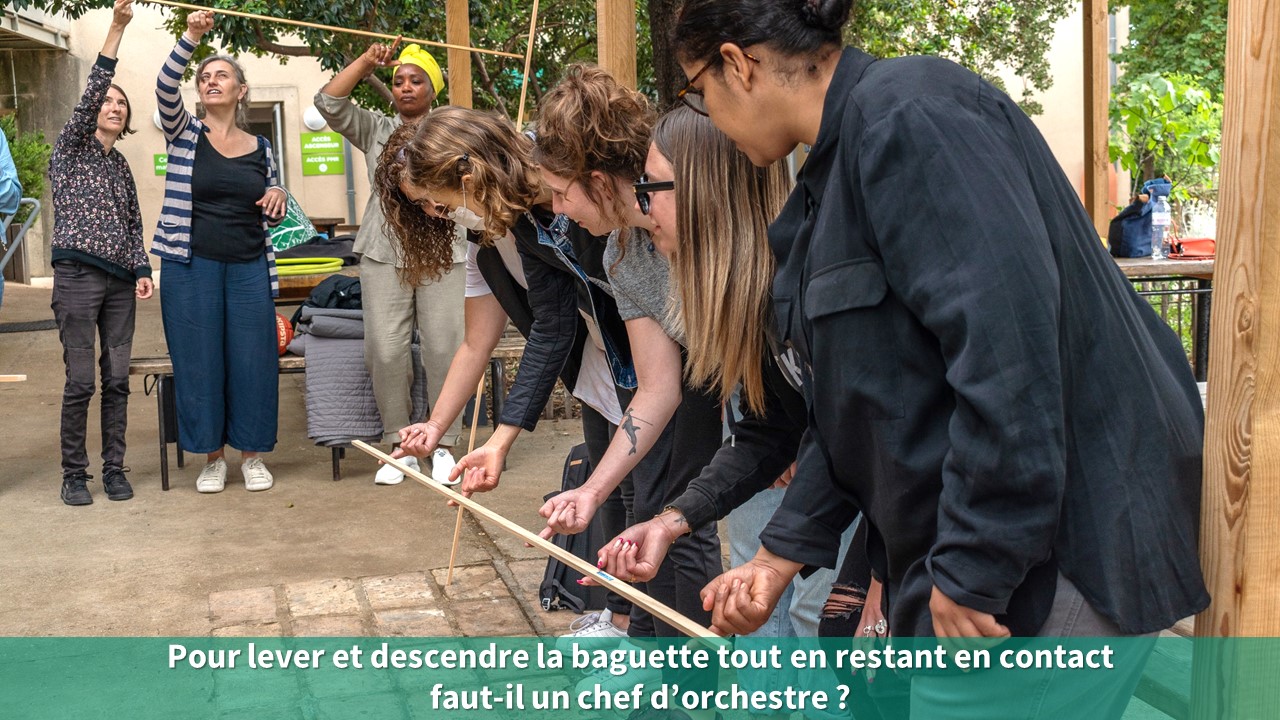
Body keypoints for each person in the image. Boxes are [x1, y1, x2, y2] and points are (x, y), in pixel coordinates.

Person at [673, 0, 1209, 716]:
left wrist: (976, 562)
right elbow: (859, 409)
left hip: (1061, 546)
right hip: (978, 554)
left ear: (737, 64)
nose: (708, 117)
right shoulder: (831, 177)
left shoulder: (912, 115)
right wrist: (778, 556)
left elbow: (1008, 352)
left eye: (697, 92)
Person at [382, 110, 641, 639]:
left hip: (636, 359)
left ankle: (647, 635)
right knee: (611, 495)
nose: (435, 213)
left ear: (466, 174)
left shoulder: (552, 210)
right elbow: (478, 342)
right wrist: (437, 425)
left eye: (437, 201)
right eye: (424, 207)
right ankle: (622, 618)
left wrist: (501, 438)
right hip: (597, 365)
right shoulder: (485, 243)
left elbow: (556, 323)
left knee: (650, 501)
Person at [315, 40, 466, 486]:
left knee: (444, 348)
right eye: (398, 81)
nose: (405, 87)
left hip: (445, 251)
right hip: (383, 252)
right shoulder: (375, 128)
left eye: (416, 80)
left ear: (432, 89)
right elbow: (328, 102)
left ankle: (443, 443)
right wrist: (365, 62)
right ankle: (399, 446)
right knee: (384, 349)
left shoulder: (454, 131)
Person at [153, 10, 286, 493]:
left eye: (221, 75)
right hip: (191, 266)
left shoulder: (262, 147)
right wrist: (192, 37)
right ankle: (213, 458)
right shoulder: (184, 132)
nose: (211, 81)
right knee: (200, 361)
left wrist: (279, 195)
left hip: (250, 265)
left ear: (241, 90)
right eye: (205, 77)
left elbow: (274, 201)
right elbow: (165, 86)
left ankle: (252, 456)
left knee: (253, 361)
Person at [47, 0, 152, 506]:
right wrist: (116, 27)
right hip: (77, 277)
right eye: (106, 101)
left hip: (120, 283)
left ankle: (114, 469)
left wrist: (142, 268)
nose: (113, 106)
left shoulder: (121, 165)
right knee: (81, 381)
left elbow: (133, 224)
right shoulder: (71, 149)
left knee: (117, 380)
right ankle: (74, 474)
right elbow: (94, 88)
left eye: (121, 103)